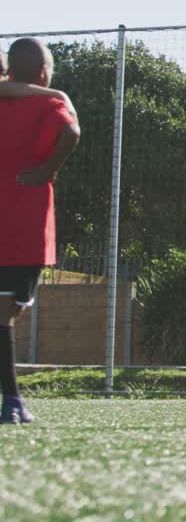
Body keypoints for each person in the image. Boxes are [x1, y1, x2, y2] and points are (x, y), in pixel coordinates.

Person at [0, 38, 81, 425]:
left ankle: (12, 400)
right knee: (6, 315)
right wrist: (49, 169)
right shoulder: (51, 101)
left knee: (4, 315)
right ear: (45, 71)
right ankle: (12, 401)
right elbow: (71, 133)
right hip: (26, 228)